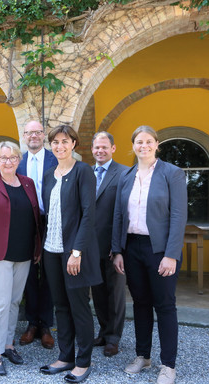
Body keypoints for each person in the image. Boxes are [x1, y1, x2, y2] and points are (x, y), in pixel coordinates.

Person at [112, 125, 187, 384]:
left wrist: (171, 254)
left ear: (157, 144)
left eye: (148, 141)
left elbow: (179, 216)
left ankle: (168, 365)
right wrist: (117, 250)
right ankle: (143, 356)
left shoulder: (172, 174)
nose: (143, 146)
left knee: (165, 306)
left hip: (160, 250)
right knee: (141, 303)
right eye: (138, 142)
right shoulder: (126, 175)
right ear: (132, 146)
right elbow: (119, 216)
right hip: (132, 247)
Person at [39, 125, 101, 384]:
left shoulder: (83, 171)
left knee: (79, 307)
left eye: (65, 141)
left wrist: (77, 252)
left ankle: (83, 362)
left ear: (74, 143)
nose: (59, 146)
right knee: (60, 306)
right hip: (51, 250)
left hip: (74, 252)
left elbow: (88, 214)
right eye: (55, 141)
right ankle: (66, 356)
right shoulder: (49, 174)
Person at [0, 141, 41, 376]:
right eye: (3, 158)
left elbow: (35, 216)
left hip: (23, 253)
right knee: (0, 302)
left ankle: (8, 345)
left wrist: (37, 247)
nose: (8, 161)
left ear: (19, 159)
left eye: (12, 157)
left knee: (13, 302)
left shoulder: (28, 183)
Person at [16, 120, 57, 350]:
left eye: (38, 132)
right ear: (24, 135)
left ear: (43, 135)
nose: (33, 136)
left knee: (49, 275)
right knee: (29, 275)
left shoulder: (55, 158)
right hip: (25, 224)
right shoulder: (17, 160)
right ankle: (32, 323)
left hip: (51, 222)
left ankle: (46, 325)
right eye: (29, 132)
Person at [90, 131, 128, 357]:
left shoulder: (124, 173)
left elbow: (125, 213)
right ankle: (103, 332)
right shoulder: (86, 173)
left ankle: (114, 338)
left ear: (113, 148)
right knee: (98, 292)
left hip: (114, 246)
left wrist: (119, 247)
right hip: (92, 246)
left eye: (104, 147)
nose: (100, 151)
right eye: (96, 147)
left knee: (115, 294)